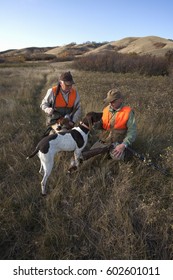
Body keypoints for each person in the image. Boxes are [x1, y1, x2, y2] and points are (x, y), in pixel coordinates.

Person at [82, 88, 137, 161]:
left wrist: (123, 145)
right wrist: (94, 125)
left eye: (113, 101)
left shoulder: (128, 112)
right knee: (90, 155)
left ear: (120, 100)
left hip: (118, 143)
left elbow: (132, 132)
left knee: (117, 157)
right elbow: (102, 124)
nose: (110, 103)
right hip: (104, 141)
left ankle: (122, 154)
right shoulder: (106, 109)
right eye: (109, 101)